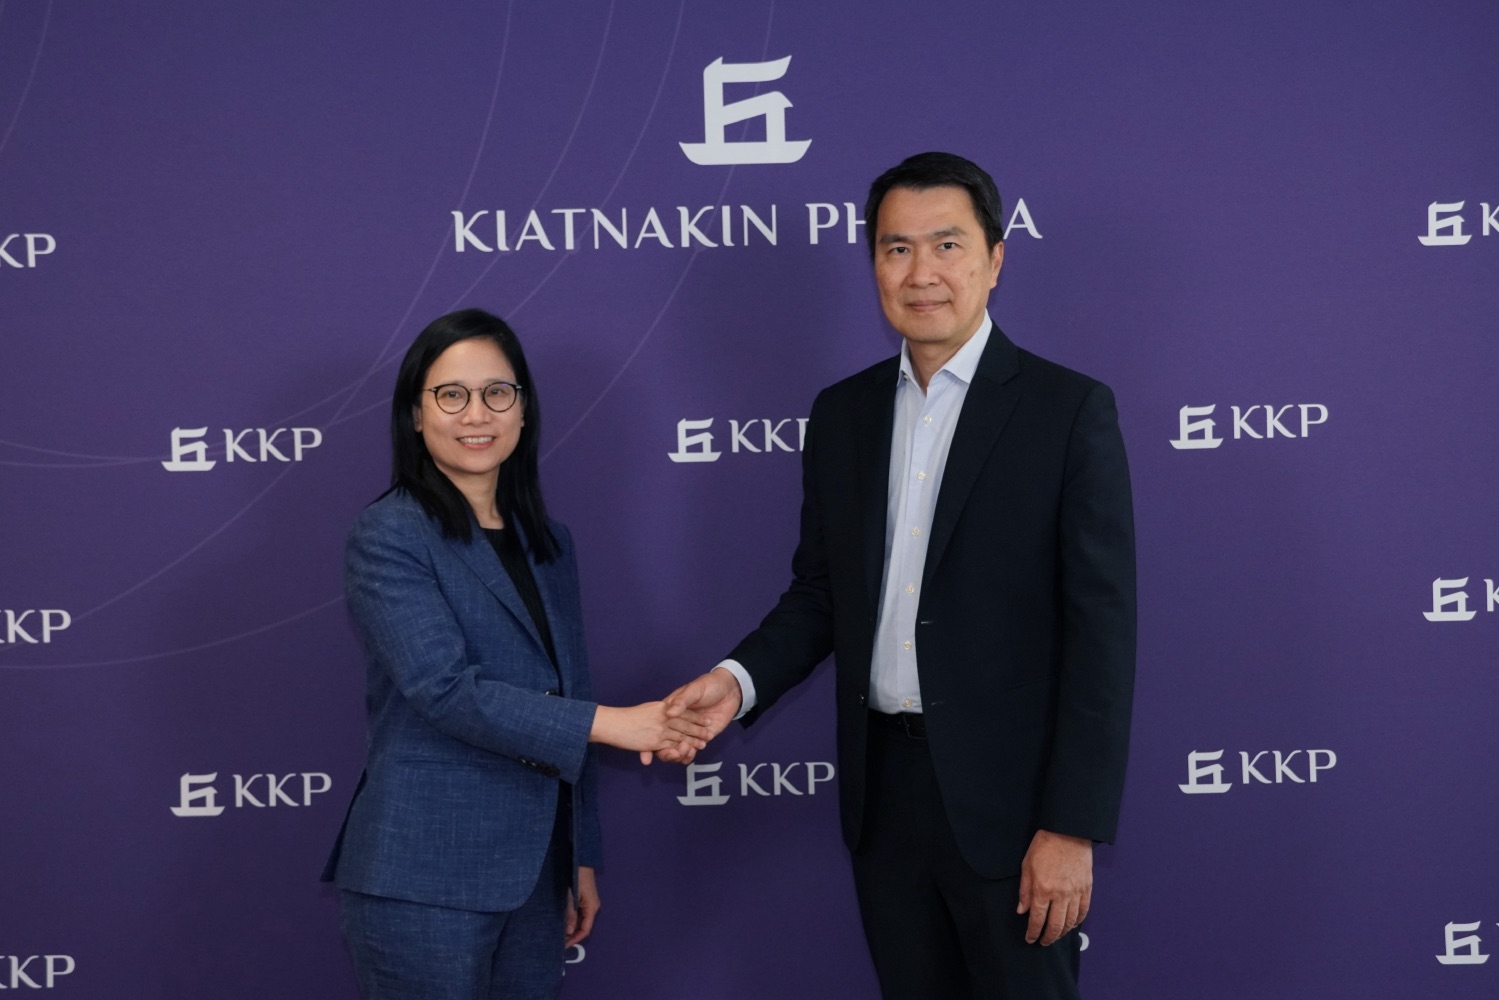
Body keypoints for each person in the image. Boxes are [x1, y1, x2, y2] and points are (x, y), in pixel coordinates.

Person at [660, 152, 1136, 999]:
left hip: (1013, 811)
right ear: (873, 265)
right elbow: (821, 594)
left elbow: (1101, 633)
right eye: (896, 248)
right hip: (883, 799)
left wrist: (1070, 826)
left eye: (947, 245)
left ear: (994, 259)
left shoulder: (1066, 411)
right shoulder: (842, 414)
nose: (921, 274)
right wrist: (737, 683)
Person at [322, 308, 707, 1000]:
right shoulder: (389, 534)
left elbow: (567, 689)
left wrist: (578, 856)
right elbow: (444, 689)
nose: (477, 414)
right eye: (451, 395)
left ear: (523, 411)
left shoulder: (549, 542)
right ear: (415, 415)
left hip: (535, 875)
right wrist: (620, 724)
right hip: (424, 876)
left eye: (497, 393)